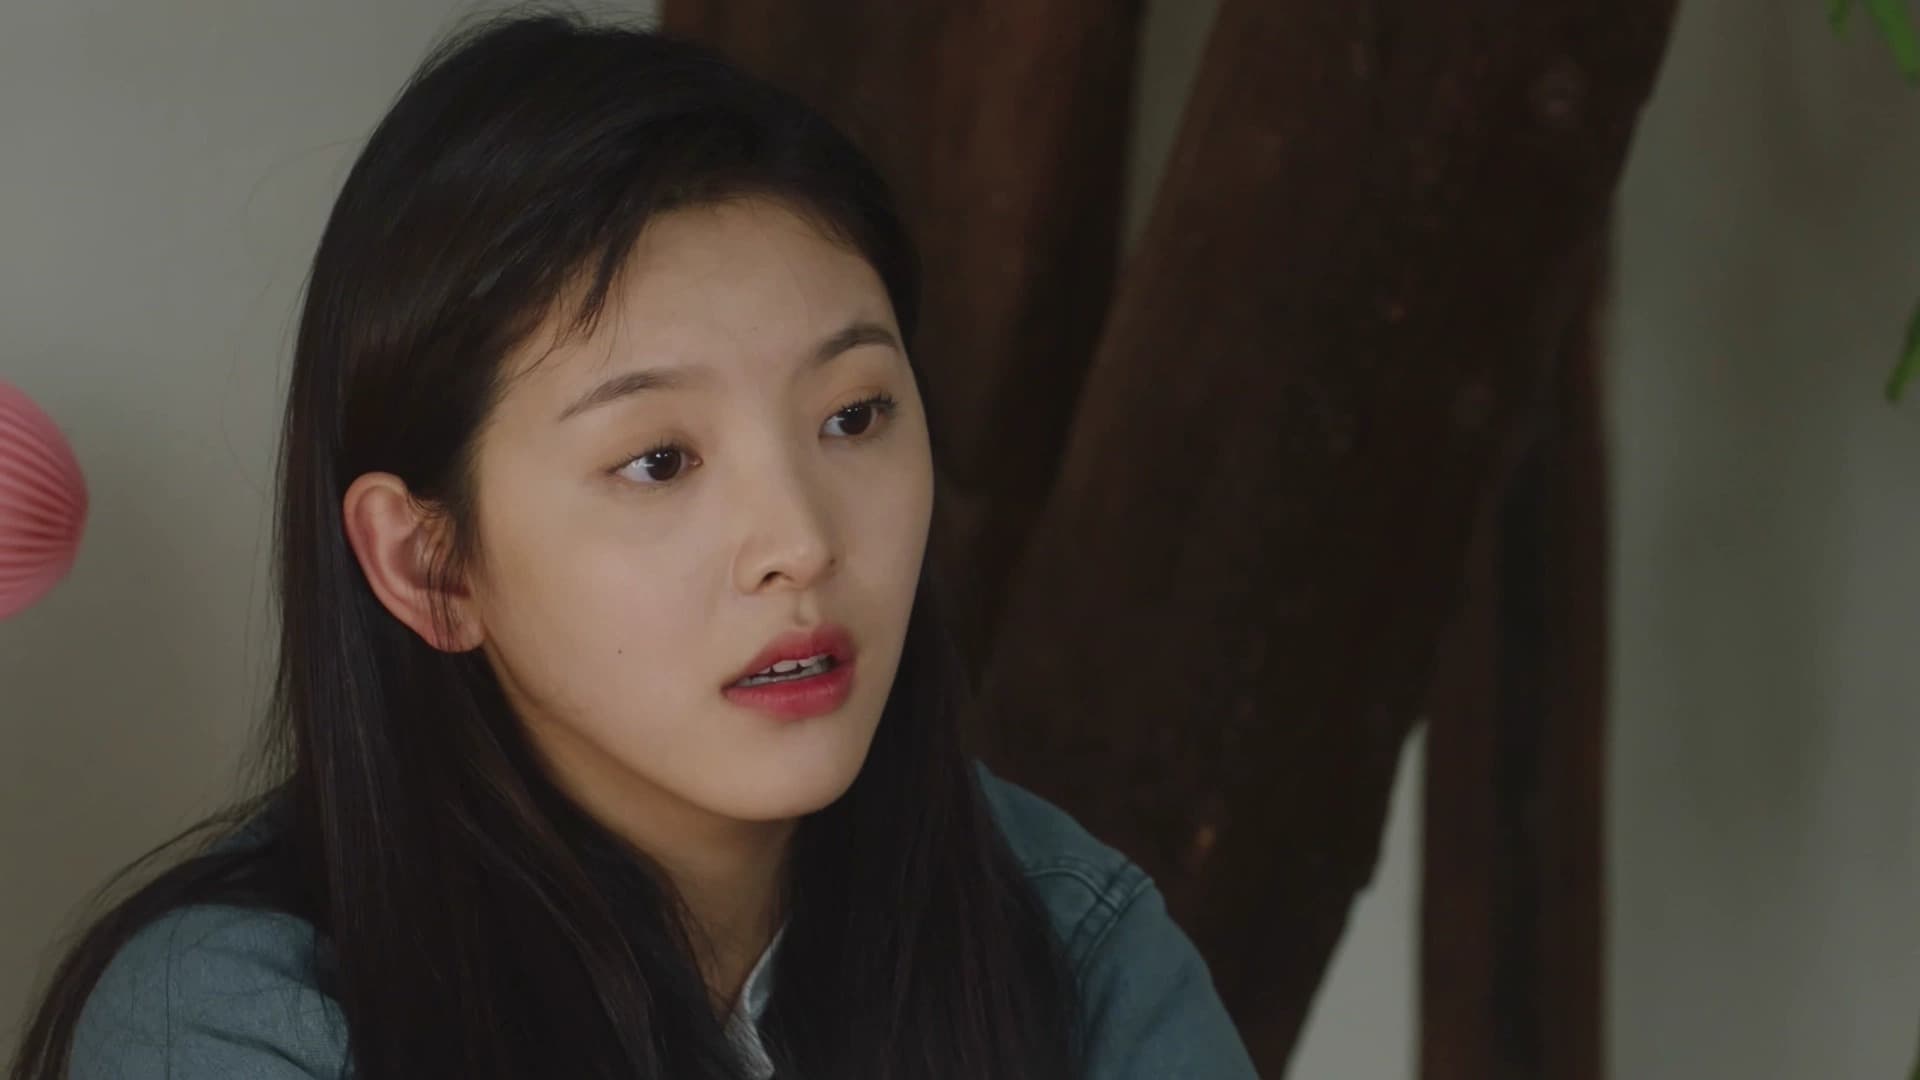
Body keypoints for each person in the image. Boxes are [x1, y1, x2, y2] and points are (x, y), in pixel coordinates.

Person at [8, 13, 1258, 1080]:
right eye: (658, 460)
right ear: (430, 566)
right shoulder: (239, 1022)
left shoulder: (1071, 938)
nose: (800, 544)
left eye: (854, 417)